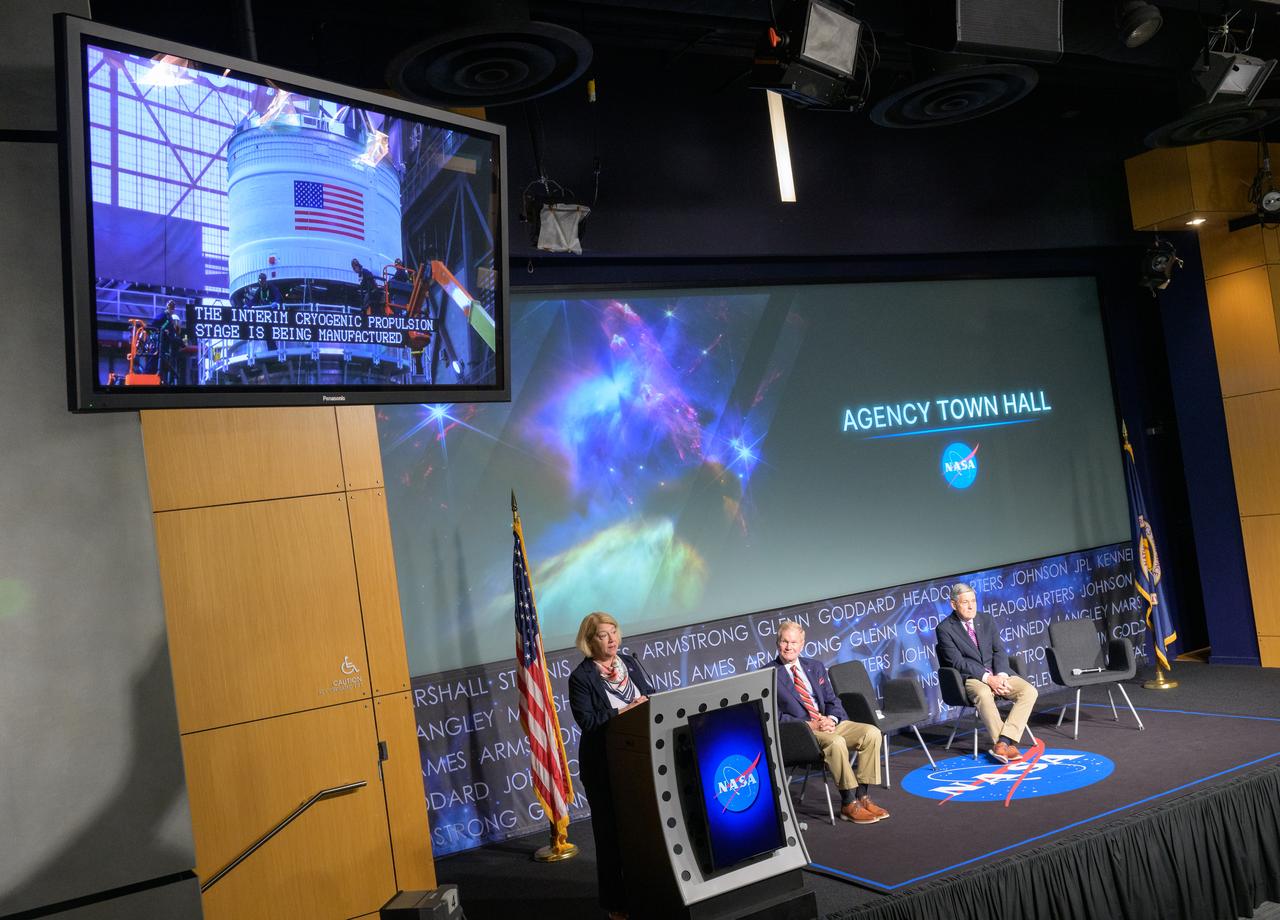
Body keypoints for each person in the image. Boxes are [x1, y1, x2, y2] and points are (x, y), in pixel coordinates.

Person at [568, 612, 653, 920]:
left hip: (640, 759)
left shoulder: (629, 663)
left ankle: (650, 890)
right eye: (603, 635)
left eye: (613, 631)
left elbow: (651, 696)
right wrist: (624, 712)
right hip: (604, 765)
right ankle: (616, 903)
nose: (611, 639)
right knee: (611, 836)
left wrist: (645, 704)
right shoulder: (581, 677)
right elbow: (588, 722)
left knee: (645, 830)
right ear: (590, 641)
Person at [770, 621, 889, 825]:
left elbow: (833, 701)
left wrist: (831, 719)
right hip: (801, 732)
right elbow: (774, 716)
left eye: (793, 642)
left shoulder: (814, 666)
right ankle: (848, 803)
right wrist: (811, 725)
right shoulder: (769, 674)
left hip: (828, 723)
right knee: (836, 742)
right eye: (784, 641)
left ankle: (862, 796)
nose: (789, 647)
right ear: (777, 643)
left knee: (871, 733)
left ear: (802, 644)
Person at [935, 582, 1039, 763]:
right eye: (965, 602)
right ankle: (1005, 745)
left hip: (998, 674)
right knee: (983, 693)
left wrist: (1002, 676)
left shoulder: (986, 619)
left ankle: (1003, 742)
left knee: (1029, 691)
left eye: (973, 601)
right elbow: (958, 662)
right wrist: (988, 679)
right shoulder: (944, 629)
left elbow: (999, 650)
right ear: (953, 604)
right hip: (972, 678)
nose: (970, 606)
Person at [156, 300, 186, 385]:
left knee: (171, 374)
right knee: (166, 374)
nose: (176, 324)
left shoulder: (171, 327)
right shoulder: (167, 322)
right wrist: (182, 342)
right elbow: (173, 339)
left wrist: (182, 342)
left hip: (170, 357)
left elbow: (176, 340)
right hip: (165, 355)